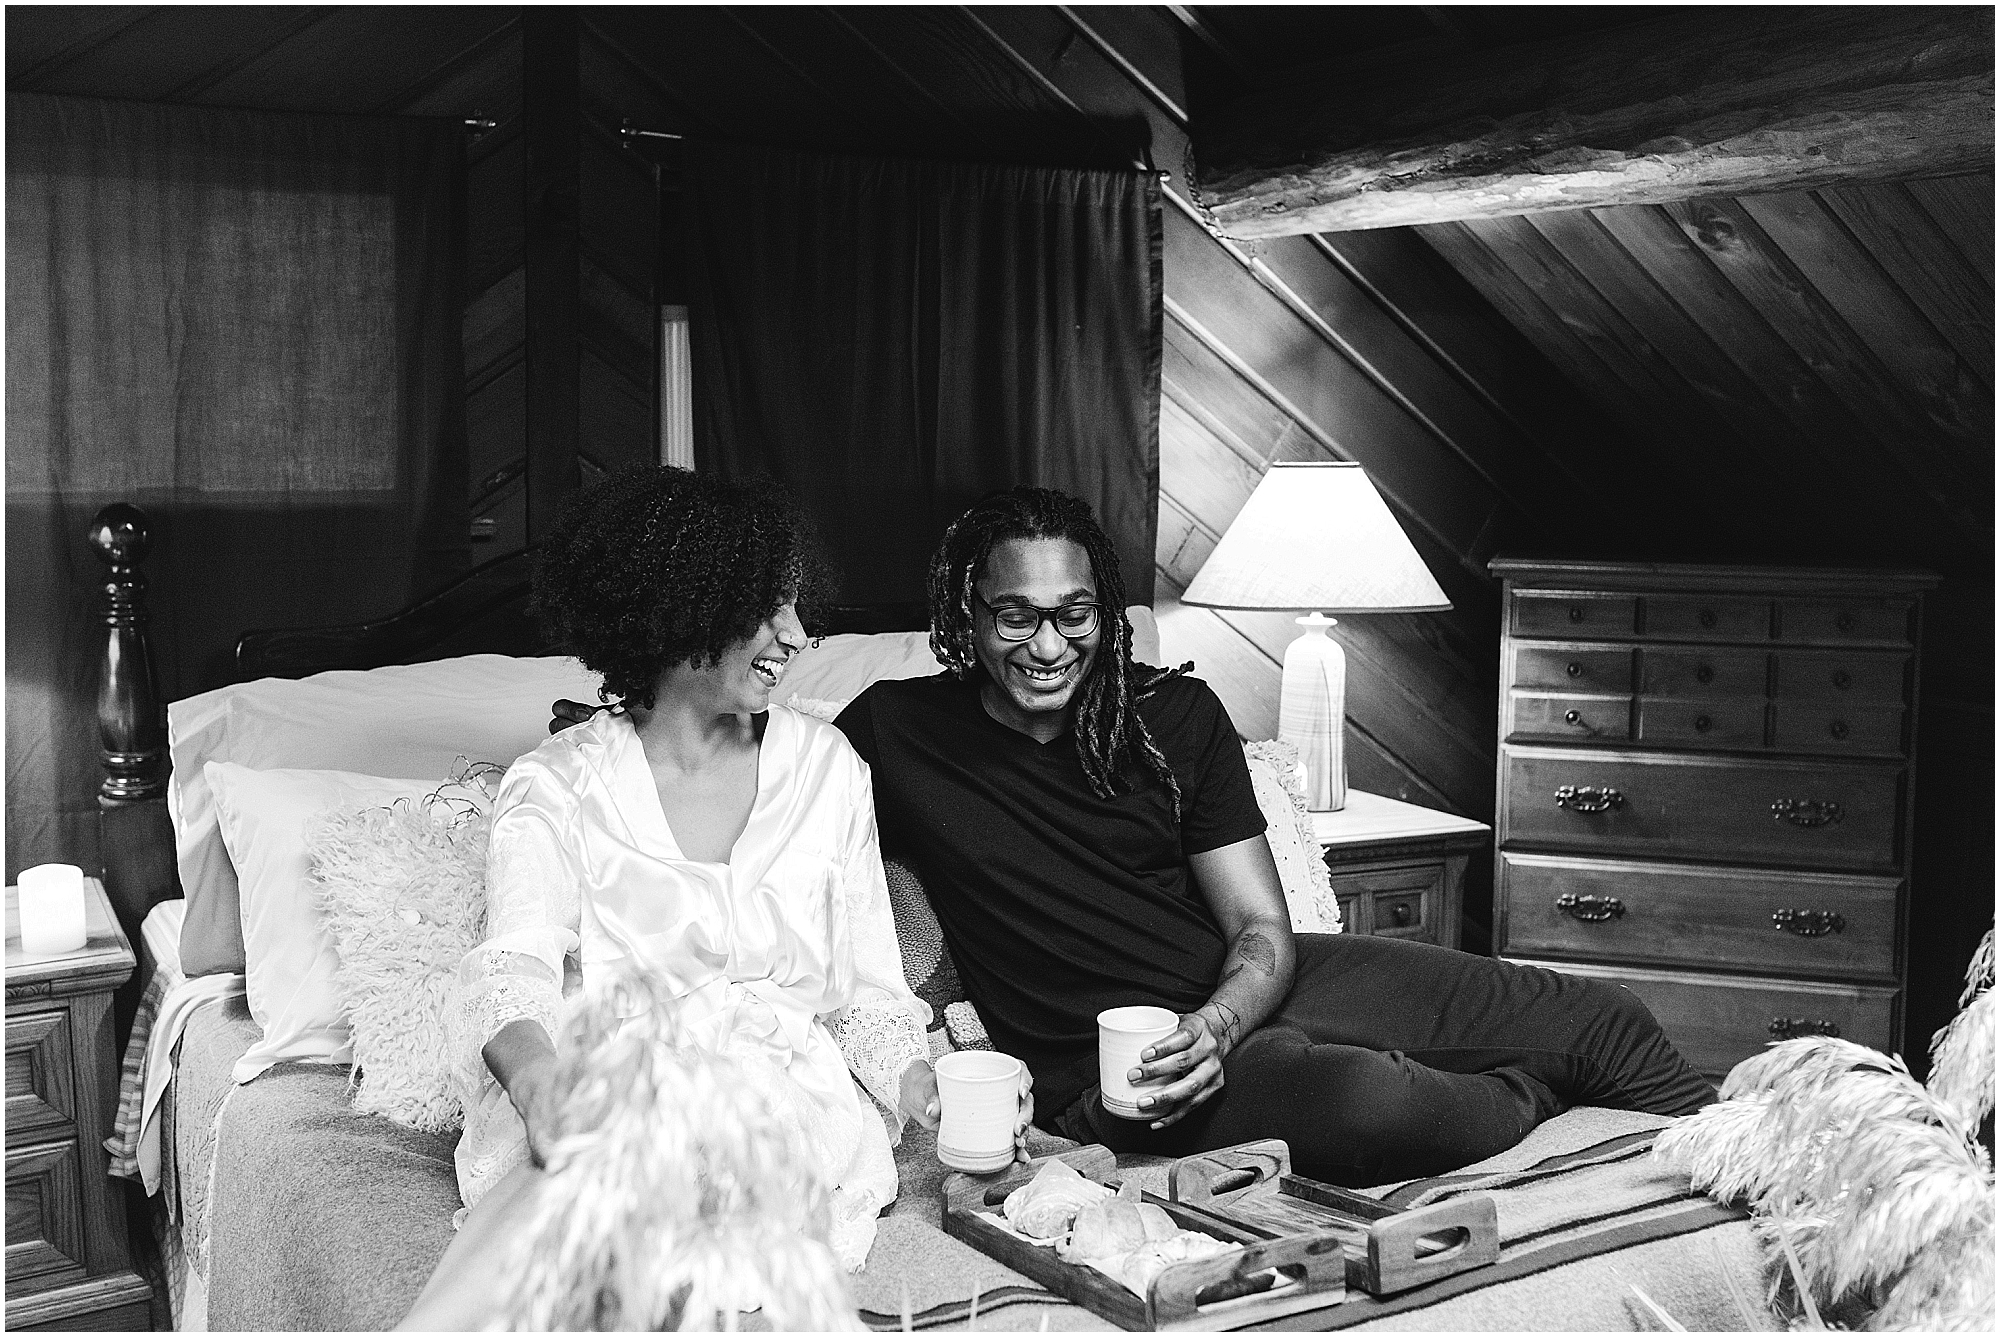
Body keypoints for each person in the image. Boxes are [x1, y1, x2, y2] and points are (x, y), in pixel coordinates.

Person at [556, 485, 1714, 1190]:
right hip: (1108, 1069)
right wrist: (603, 724)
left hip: (1247, 991)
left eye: (1074, 614)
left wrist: (1218, 1015)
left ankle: (1749, 1161)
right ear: (967, 618)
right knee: (1374, 1107)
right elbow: (718, 754)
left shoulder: (1177, 714)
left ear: (1101, 610)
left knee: (1601, 1013)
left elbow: (1261, 928)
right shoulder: (887, 737)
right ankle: (1536, 1104)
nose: (1048, 644)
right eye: (1014, 614)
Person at [405, 466, 1028, 1329]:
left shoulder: (828, 774)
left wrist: (930, 1090)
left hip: (775, 1109)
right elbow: (512, 972)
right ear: (679, 609)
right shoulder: (554, 787)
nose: (798, 634)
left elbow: (865, 998)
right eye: (767, 608)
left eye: (795, 605)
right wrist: (546, 1093)